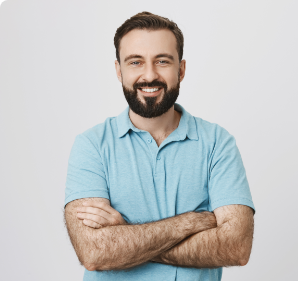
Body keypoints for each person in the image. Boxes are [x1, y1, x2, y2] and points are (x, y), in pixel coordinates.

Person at [64, 11, 255, 281]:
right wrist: (192, 222)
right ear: (119, 71)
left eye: (162, 61)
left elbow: (236, 247)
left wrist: (125, 235)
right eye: (136, 62)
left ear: (181, 69)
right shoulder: (91, 145)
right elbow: (94, 252)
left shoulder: (217, 143)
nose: (149, 75)